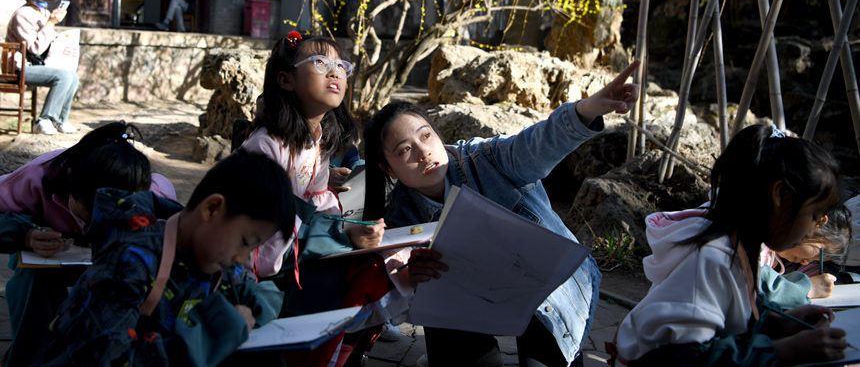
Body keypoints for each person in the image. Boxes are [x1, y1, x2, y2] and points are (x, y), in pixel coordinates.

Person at [362, 61, 641, 367]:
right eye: (404, 150)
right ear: (387, 169)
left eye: (426, 136)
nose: (423, 152)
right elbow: (396, 303)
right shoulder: (401, 218)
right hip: (472, 298)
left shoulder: (487, 159)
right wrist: (408, 280)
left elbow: (536, 145)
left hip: (546, 288)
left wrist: (588, 109)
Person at [612, 124, 848, 366]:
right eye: (814, 215)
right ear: (780, 195)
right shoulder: (716, 259)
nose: (813, 228)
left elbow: (730, 320)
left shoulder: (741, 250)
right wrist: (786, 351)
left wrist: (777, 323)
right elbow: (683, 357)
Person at [44, 149, 295, 366]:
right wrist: (208, 338)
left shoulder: (216, 261)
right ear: (212, 209)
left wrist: (260, 304)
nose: (243, 258)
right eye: (245, 243)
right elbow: (103, 357)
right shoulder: (130, 261)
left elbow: (246, 288)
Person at [241, 31, 391, 367]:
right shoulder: (265, 148)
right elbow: (263, 253)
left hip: (295, 259)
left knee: (379, 265)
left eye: (341, 65)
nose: (335, 71)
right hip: (258, 275)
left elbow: (320, 203)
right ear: (286, 79)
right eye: (320, 62)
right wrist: (340, 236)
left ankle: (343, 353)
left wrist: (350, 227)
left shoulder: (315, 142)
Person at [0, 121, 176, 367]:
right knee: (31, 284)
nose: (94, 224)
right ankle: (29, 357)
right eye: (87, 213)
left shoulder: (153, 195)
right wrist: (25, 234)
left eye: (109, 216)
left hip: (115, 266)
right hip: (48, 265)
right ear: (70, 182)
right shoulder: (38, 176)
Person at [5, 0, 78, 135]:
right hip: (21, 66)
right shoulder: (22, 14)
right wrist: (51, 23)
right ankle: (44, 120)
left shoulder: (43, 13)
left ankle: (60, 120)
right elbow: (34, 48)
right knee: (63, 77)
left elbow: (47, 41)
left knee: (73, 76)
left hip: (38, 64)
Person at [759, 203, 852, 307]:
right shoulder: (759, 246)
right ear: (817, 223)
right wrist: (810, 289)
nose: (805, 263)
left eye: (813, 261)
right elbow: (760, 290)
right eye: (818, 253)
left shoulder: (772, 256)